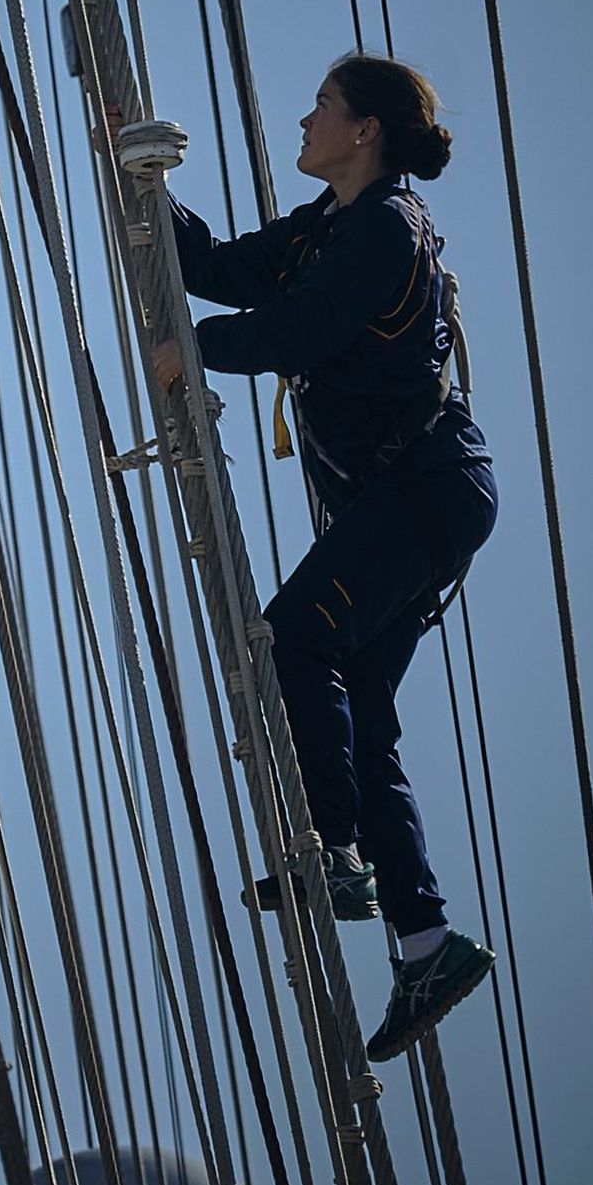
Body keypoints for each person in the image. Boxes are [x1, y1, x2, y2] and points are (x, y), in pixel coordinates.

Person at [149, 56, 498, 1059]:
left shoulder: (389, 227)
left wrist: (194, 349)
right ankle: (427, 940)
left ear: (365, 133)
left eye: (322, 109)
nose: (302, 121)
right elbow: (217, 268)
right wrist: (142, 182)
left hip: (426, 491)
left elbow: (301, 326)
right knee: (361, 710)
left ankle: (337, 855)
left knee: (297, 633)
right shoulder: (322, 228)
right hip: (414, 500)